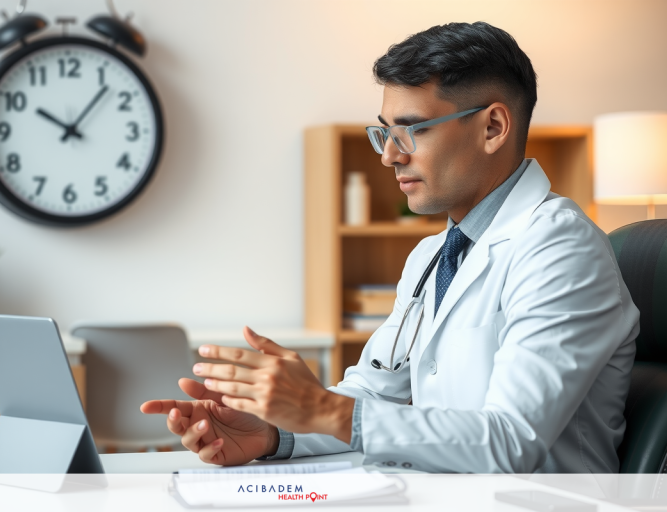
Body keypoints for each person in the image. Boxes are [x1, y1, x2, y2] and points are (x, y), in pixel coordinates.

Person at [141, 21, 639, 473]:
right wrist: (274, 434)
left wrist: (321, 407)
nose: (390, 155)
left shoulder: (560, 248)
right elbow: (373, 393)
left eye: (413, 130)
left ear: (493, 127)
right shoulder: (432, 257)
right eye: (385, 132)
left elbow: (510, 440)